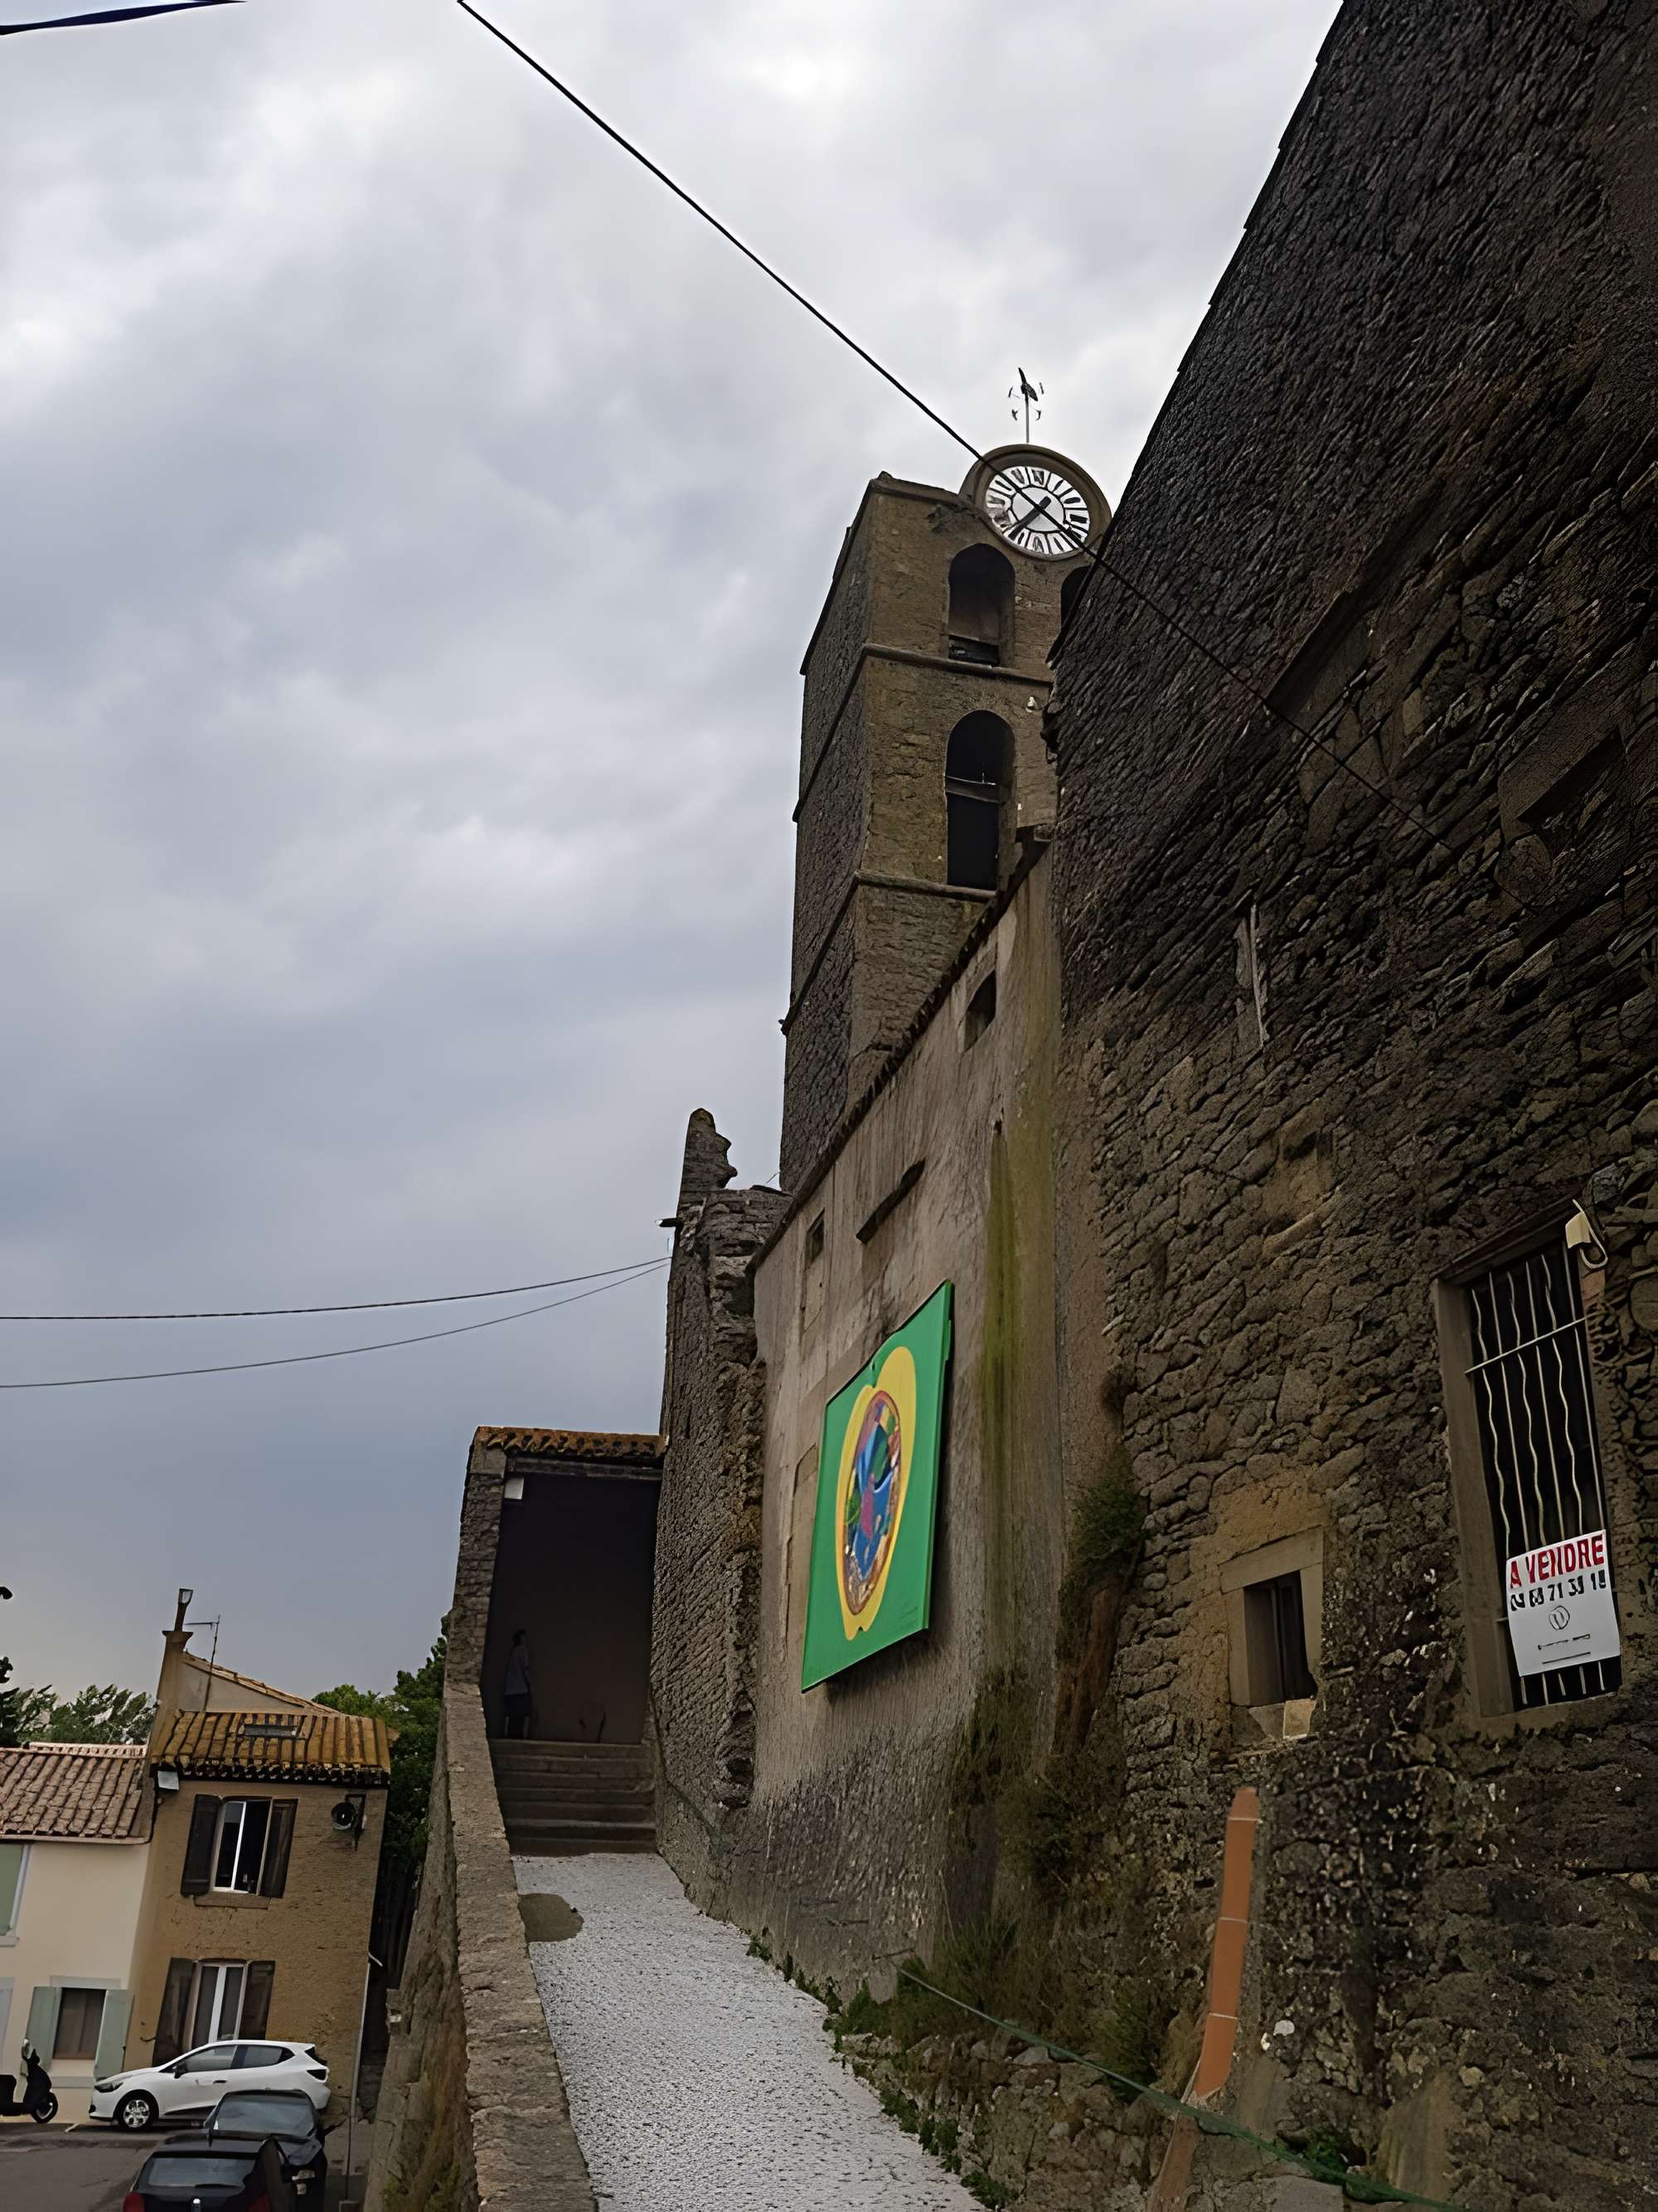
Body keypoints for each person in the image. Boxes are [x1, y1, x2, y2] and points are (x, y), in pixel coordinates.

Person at [502, 1628, 532, 1739]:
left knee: (510, 1713)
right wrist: (529, 1683)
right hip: (521, 1688)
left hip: (510, 1688)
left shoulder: (513, 1651)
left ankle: (506, 1733)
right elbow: (525, 1668)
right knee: (525, 1712)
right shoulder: (522, 1650)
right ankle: (524, 1735)